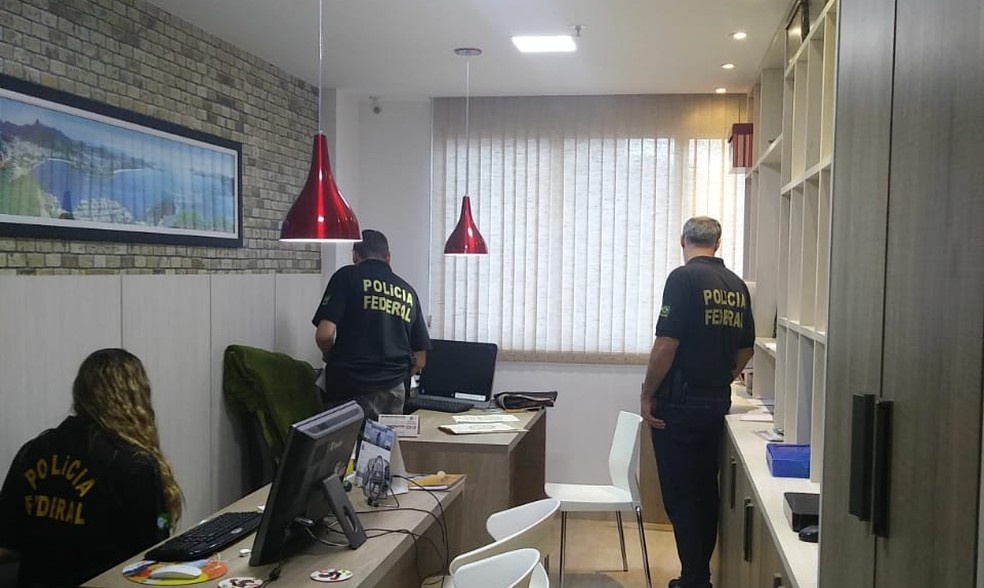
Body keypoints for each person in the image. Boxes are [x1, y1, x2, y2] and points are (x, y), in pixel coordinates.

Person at [0, 348, 183, 588]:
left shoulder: (33, 451)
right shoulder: (134, 464)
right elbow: (153, 554)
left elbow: (7, 540)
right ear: (135, 396)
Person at [640, 217, 754, 588]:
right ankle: (698, 575)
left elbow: (666, 344)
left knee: (681, 494)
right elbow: (746, 349)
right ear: (717, 244)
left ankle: (693, 579)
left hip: (679, 405)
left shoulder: (683, 279)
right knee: (705, 492)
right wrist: (721, 378)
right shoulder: (736, 285)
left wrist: (648, 393)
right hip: (715, 402)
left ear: (682, 240)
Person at [313, 229, 431, 420]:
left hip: (349, 386)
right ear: (388, 257)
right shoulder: (408, 291)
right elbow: (420, 360)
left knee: (347, 440)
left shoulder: (346, 276)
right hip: (393, 391)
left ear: (355, 255)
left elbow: (324, 335)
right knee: (385, 440)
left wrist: (330, 356)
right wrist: (393, 376)